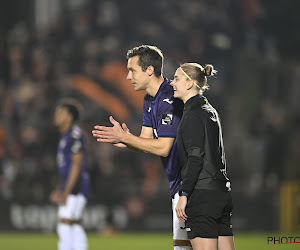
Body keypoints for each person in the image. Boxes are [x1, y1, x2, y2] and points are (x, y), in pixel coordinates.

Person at [92, 45, 192, 249]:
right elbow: (146, 143)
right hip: (181, 184)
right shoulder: (149, 101)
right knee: (183, 245)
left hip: (198, 181)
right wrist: (127, 140)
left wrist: (128, 138)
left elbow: (163, 148)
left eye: (132, 70)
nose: (128, 77)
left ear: (149, 70)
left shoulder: (168, 99)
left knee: (205, 243)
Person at [171, 63, 235, 250]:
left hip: (202, 195)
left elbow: (196, 157)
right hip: (221, 192)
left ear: (190, 83)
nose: (172, 83)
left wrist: (184, 194)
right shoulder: (210, 110)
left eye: (176, 79)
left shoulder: (192, 115)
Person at [50, 99, 89, 250]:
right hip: (71, 188)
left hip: (76, 188)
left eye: (60, 113)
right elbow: (65, 169)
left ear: (69, 117)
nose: (56, 115)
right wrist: (60, 189)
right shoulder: (65, 137)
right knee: (74, 226)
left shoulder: (75, 135)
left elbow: (76, 165)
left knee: (65, 224)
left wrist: (66, 192)